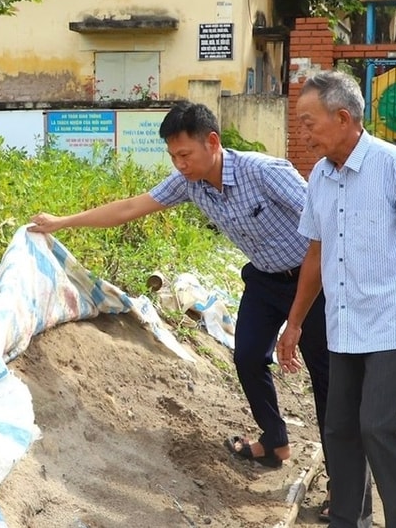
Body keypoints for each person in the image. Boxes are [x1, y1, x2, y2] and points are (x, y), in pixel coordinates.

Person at [29, 101, 331, 490]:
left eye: (185, 154)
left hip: (314, 278)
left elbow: (326, 225)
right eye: (173, 156)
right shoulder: (189, 182)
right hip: (264, 280)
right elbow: (130, 207)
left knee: (326, 378)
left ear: (212, 142)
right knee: (248, 357)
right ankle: (275, 442)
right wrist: (62, 222)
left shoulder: (265, 172)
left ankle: (342, 481)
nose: (180, 164)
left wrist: (302, 316)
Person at [277, 70, 396, 528]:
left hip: (391, 323)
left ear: (344, 117)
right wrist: (294, 322)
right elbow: (315, 253)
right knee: (340, 431)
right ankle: (348, 520)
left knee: (379, 428)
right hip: (343, 325)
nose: (303, 132)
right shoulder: (319, 179)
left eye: (309, 122)